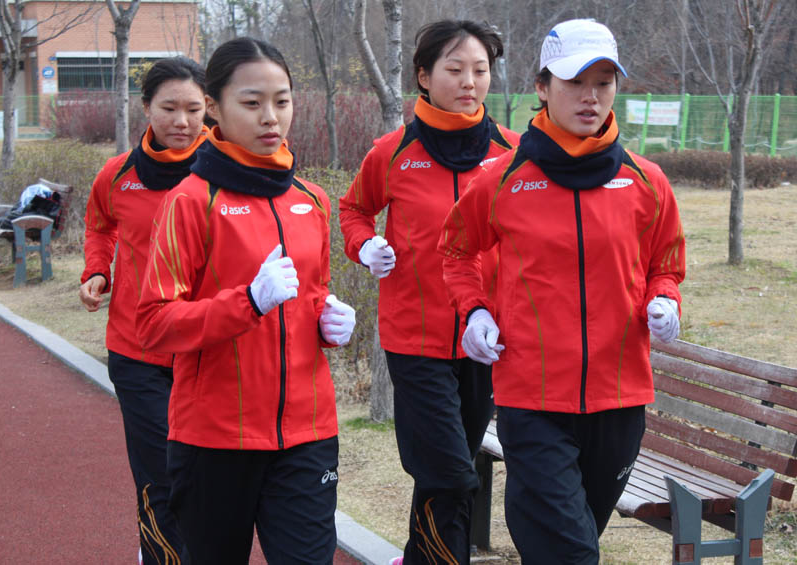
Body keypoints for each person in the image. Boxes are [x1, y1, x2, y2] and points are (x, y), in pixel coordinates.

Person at [438, 18, 686, 564]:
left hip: (620, 398)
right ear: (543, 87)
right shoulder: (502, 180)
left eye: (603, 82)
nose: (590, 97)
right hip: (534, 398)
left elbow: (665, 262)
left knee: (570, 541)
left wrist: (664, 299)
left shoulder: (646, 181)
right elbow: (455, 252)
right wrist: (475, 310)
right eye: (575, 82)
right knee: (570, 552)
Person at [135, 37, 356, 565]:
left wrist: (329, 320)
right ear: (214, 106)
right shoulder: (190, 200)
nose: (270, 117)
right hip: (214, 439)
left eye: (282, 101)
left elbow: (313, 293)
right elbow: (153, 324)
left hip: (307, 433)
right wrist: (247, 303)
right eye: (252, 103)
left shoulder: (312, 200)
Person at [339, 20, 520, 565]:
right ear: (423, 75)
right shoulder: (392, 152)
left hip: (483, 337)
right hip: (413, 336)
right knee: (449, 471)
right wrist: (364, 245)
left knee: (455, 462)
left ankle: (419, 557)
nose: (470, 82)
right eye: (455, 69)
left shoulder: (514, 151)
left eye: (481, 71)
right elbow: (353, 209)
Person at [79, 56, 208, 565]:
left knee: (204, 472)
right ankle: (159, 554)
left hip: (207, 349)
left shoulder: (227, 171)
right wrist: (97, 271)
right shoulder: (118, 175)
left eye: (194, 109)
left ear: (211, 108)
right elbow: (100, 225)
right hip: (138, 350)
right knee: (160, 470)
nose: (182, 121)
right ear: (146, 109)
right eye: (169, 108)